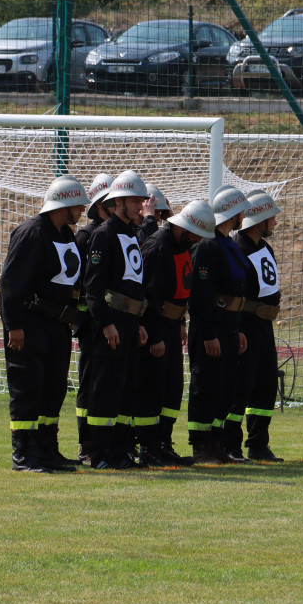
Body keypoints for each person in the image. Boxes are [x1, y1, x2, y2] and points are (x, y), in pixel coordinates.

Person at [0, 175, 88, 472]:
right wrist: (14, 325)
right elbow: (11, 285)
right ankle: (23, 455)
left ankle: (47, 451)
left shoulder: (65, 234)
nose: (82, 211)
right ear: (65, 205)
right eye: (79, 205)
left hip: (56, 326)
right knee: (28, 388)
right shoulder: (32, 233)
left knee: (53, 389)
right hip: (30, 324)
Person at [136, 199, 216, 466]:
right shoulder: (158, 247)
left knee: (171, 390)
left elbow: (179, 290)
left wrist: (180, 321)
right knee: (152, 390)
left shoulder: (179, 244)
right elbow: (147, 296)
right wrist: (154, 337)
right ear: (184, 229)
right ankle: (148, 448)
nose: (197, 242)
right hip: (157, 329)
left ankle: (163, 444)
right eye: (196, 235)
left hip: (171, 326)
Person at [82, 169, 150, 469]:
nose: (140, 207)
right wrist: (106, 323)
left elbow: (134, 284)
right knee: (105, 390)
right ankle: (99, 455)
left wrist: (140, 323)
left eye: (141, 201)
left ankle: (120, 452)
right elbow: (93, 287)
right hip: (111, 324)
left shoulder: (132, 234)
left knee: (127, 389)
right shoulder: (103, 234)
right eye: (135, 201)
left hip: (131, 324)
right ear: (118, 202)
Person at [186, 186, 251, 464]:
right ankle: (201, 446)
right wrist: (209, 334)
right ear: (232, 212)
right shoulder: (209, 246)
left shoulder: (228, 244)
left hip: (228, 326)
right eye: (240, 212)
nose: (243, 217)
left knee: (225, 387)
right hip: (211, 328)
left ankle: (216, 442)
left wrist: (236, 330)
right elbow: (200, 296)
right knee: (207, 386)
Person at [228, 190, 285, 461]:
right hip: (245, 326)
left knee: (265, 385)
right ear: (259, 218)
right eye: (271, 216)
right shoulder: (236, 248)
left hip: (264, 327)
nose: (275, 221)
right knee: (240, 387)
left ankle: (258, 444)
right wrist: (236, 329)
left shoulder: (264, 247)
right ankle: (230, 445)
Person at [74, 173, 114, 463]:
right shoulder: (87, 237)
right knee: (90, 384)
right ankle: (86, 444)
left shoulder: (116, 234)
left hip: (111, 320)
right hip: (91, 323)